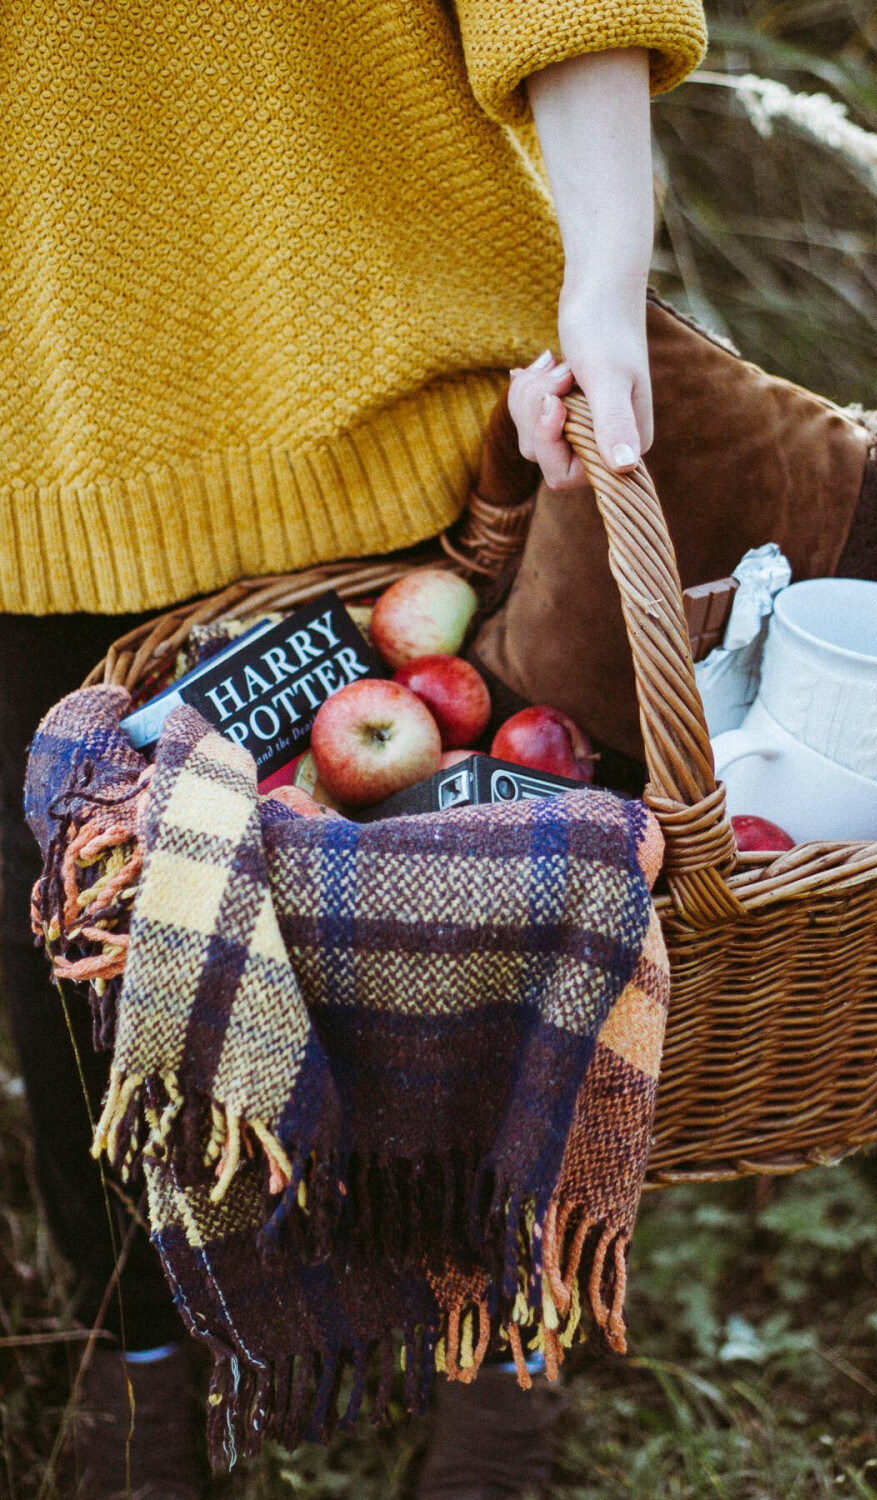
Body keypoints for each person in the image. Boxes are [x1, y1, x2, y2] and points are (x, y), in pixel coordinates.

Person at [0, 4, 706, 1496]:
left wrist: (604, 282)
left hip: (417, 421)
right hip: (38, 458)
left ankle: (496, 1349)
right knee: (77, 968)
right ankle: (140, 1361)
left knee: (479, 947)